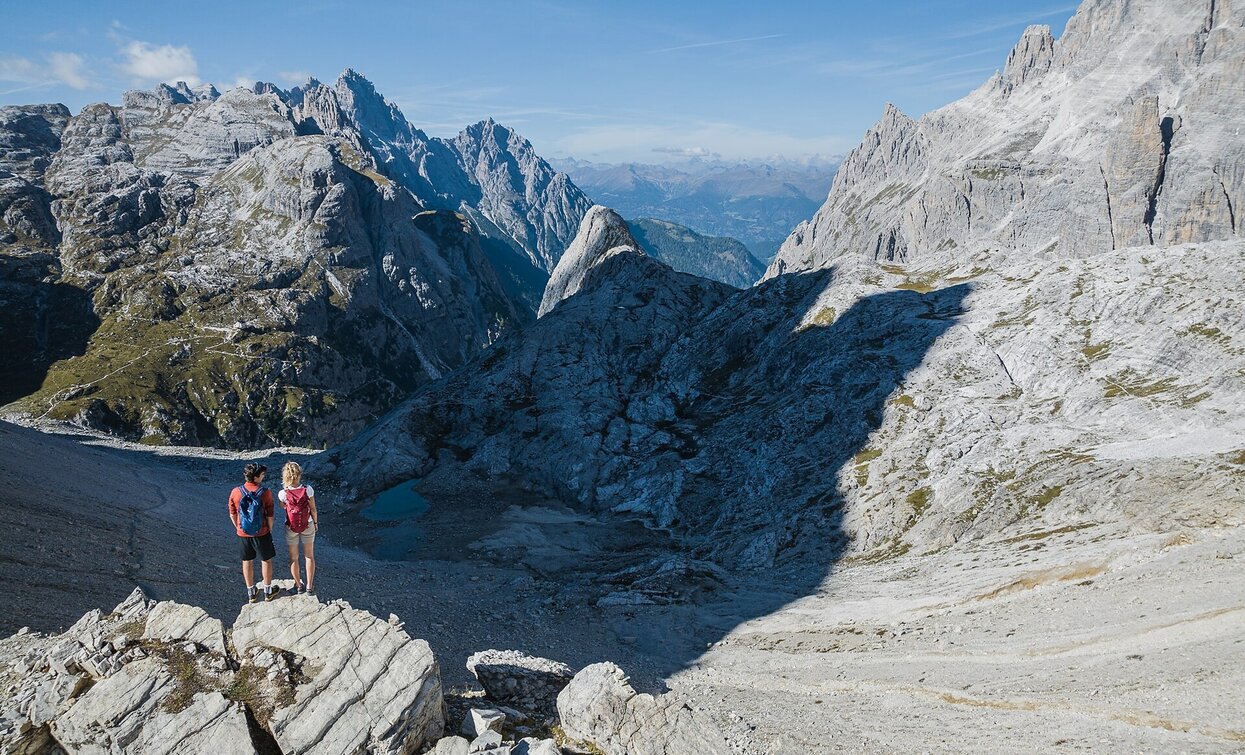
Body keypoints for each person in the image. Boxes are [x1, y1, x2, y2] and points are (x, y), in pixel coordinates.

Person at [229, 462, 282, 604]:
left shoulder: (236, 491)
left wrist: (239, 528)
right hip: (262, 532)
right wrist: (269, 529)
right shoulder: (265, 492)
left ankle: (251, 593)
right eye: (262, 475)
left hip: (243, 533)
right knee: (266, 560)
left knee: (247, 561)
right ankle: (268, 591)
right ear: (257, 477)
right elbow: (270, 514)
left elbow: (232, 513)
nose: (264, 477)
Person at [277, 461, 319, 596]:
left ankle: (298, 585)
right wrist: (316, 523)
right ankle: (309, 587)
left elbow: (282, 506)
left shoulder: (283, 493)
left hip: (291, 527)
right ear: (299, 474)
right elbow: (313, 508)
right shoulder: (308, 489)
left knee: (294, 558)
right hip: (308, 524)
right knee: (309, 556)